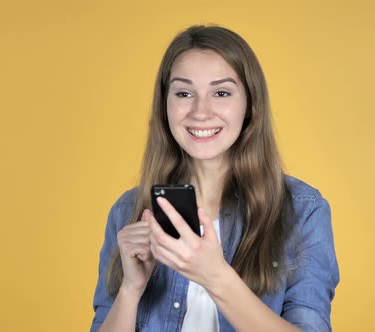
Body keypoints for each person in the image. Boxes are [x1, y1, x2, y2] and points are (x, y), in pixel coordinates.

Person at [90, 25, 339, 332]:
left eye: (221, 93)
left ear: (250, 105)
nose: (200, 112)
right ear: (164, 104)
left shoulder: (302, 210)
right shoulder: (128, 210)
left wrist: (215, 275)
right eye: (184, 93)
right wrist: (130, 289)